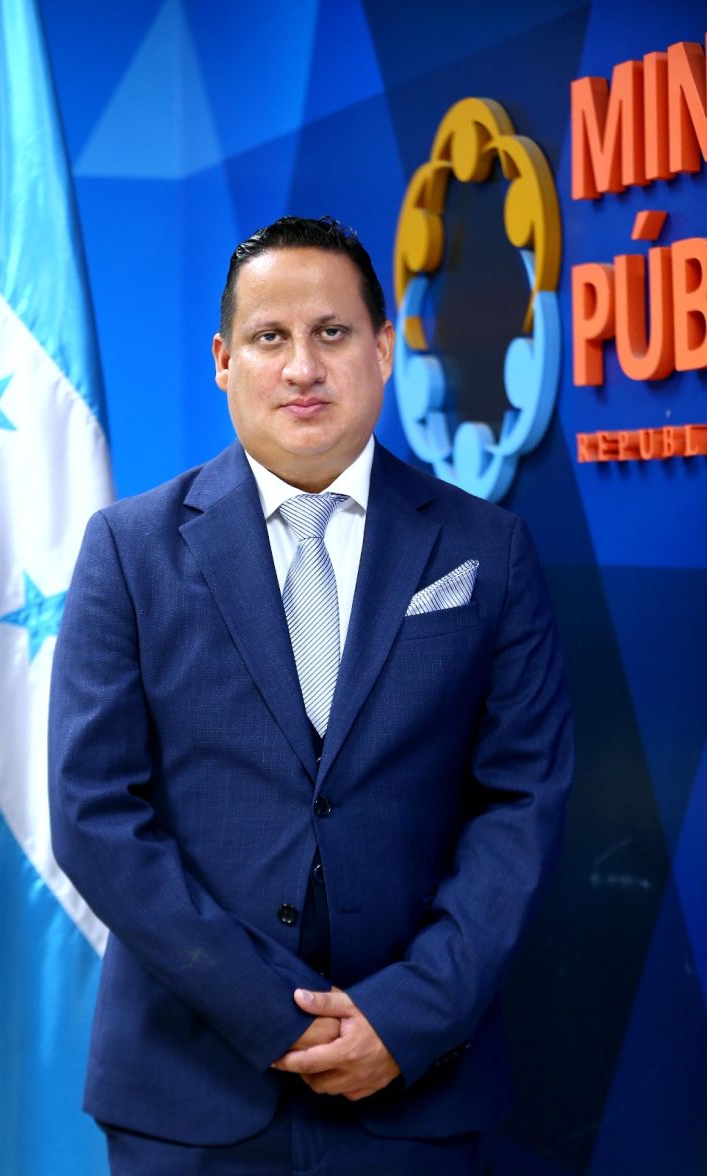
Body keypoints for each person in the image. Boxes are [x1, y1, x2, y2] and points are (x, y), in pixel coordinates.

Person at [48, 215, 574, 1174]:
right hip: (188, 1094)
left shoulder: (487, 551)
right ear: (224, 360)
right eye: (270, 337)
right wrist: (272, 1015)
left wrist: (406, 1018)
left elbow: (521, 803)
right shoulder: (126, 551)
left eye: (332, 332)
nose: (302, 367)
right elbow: (94, 816)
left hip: (417, 1088)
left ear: (383, 348)